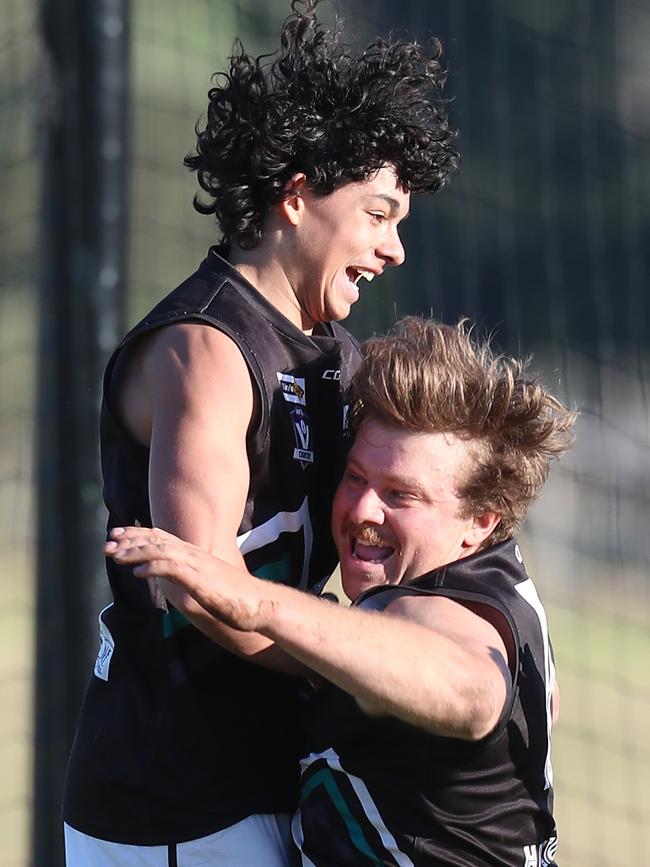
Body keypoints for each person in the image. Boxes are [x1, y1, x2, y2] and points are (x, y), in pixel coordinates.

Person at [62, 0, 459, 863]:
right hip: (173, 803)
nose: (394, 250)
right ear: (296, 197)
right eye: (379, 214)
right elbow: (200, 589)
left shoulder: (339, 359)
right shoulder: (207, 349)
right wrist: (362, 664)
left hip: (281, 778)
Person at [104, 317, 576, 866]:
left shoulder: (448, 611)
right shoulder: (497, 577)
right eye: (355, 478)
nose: (362, 511)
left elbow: (469, 691)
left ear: (479, 520)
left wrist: (259, 603)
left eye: (400, 495)